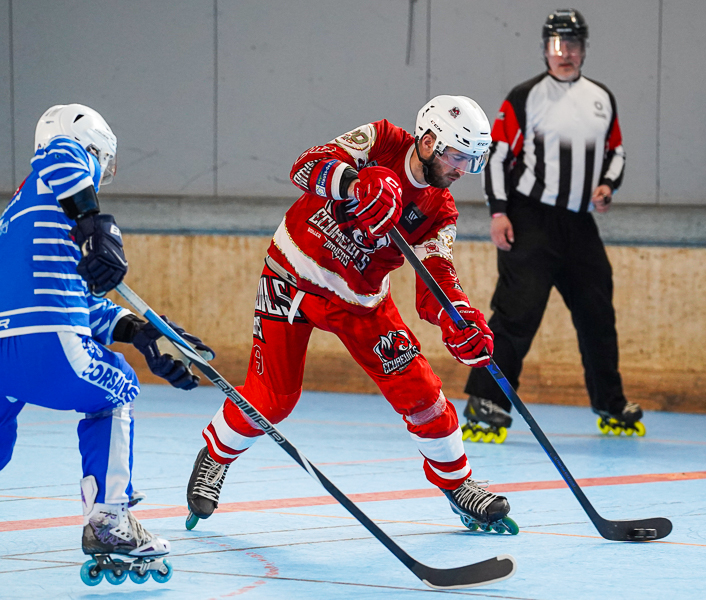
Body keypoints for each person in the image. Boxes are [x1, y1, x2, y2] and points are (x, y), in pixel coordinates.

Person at [185, 95, 518, 534]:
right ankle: (215, 456)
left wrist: (460, 319)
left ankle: (458, 485)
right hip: (292, 277)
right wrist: (353, 184)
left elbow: (437, 276)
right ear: (430, 140)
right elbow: (305, 165)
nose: (462, 170)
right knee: (273, 400)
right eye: (458, 156)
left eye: (472, 162)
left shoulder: (440, 210)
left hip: (360, 302)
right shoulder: (380, 139)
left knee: (422, 393)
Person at [0, 104, 213, 583]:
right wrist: (93, 219)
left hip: (4, 350)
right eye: (102, 162)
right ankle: (110, 520)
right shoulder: (58, 169)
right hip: (46, 343)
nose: (100, 176)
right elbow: (60, 154)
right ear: (90, 149)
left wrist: (140, 332)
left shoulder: (21, 212)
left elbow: (82, 304)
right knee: (117, 389)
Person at [462, 9, 645, 442]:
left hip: (579, 223)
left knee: (597, 313)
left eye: (573, 44)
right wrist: (499, 212)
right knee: (516, 313)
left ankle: (610, 403)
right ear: (545, 48)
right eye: (557, 45)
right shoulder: (525, 97)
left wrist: (606, 185)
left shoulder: (602, 98)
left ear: (584, 49)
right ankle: (486, 401)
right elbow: (497, 156)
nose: (565, 53)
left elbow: (615, 151)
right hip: (530, 220)